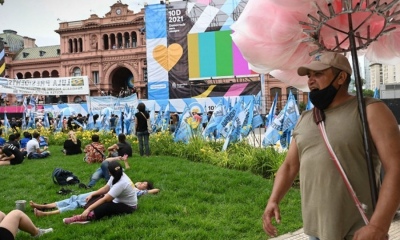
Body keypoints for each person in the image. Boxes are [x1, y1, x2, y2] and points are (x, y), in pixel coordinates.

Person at [262, 52, 400, 240]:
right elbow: (289, 166)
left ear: (341, 77)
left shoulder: (370, 110)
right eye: (309, 75)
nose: (311, 80)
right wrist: (274, 199)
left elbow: (396, 168)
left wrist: (379, 226)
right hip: (316, 232)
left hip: (360, 231)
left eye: (318, 74)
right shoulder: (305, 119)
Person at [62, 161, 138, 224]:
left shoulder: (121, 183)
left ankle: (84, 217)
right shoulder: (116, 175)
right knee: (96, 197)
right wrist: (92, 194)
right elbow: (106, 188)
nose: (108, 172)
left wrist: (88, 209)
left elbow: (106, 199)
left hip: (128, 206)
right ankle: (85, 214)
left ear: (110, 172)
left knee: (106, 206)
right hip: (117, 201)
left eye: (108, 171)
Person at [30, 181, 159, 217]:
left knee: (77, 204)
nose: (141, 183)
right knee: (74, 197)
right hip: (101, 192)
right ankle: (45, 206)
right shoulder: (128, 181)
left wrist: (144, 189)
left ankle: (46, 213)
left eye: (144, 184)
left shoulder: (136, 192)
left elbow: (156, 190)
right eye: (142, 182)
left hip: (105, 197)